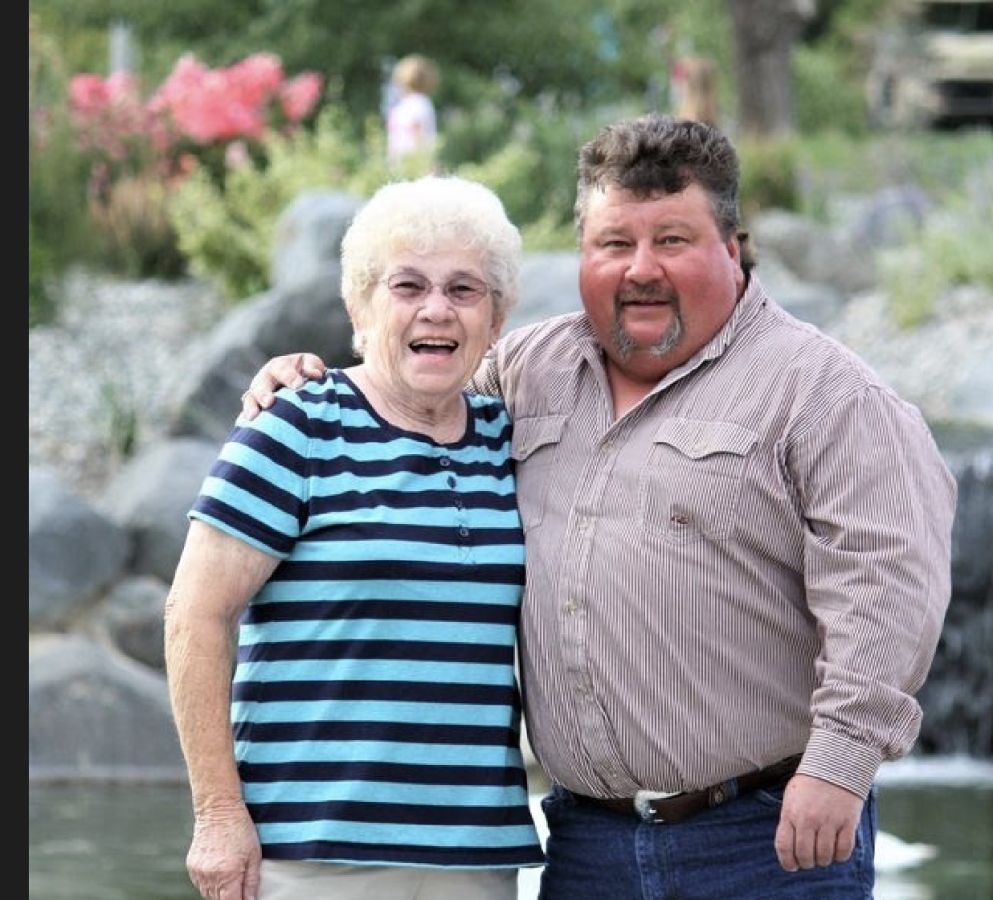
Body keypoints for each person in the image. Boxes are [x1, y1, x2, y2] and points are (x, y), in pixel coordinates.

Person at [239, 114, 957, 898]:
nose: (640, 269)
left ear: (732, 248)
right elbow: (413, 389)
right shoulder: (523, 371)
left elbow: (888, 585)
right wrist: (313, 381)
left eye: (671, 240)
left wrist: (840, 764)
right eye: (613, 243)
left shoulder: (826, 394)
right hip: (585, 847)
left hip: (766, 839)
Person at [164, 174, 544, 900]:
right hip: (313, 857)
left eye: (465, 289)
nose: (437, 308)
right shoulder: (296, 427)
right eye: (408, 286)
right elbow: (194, 615)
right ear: (359, 308)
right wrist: (217, 815)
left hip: (477, 858)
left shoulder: (511, 441)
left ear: (496, 319)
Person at [386, 54, 439, 165]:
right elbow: (418, 136)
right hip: (415, 163)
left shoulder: (400, 107)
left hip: (398, 163)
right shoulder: (422, 103)